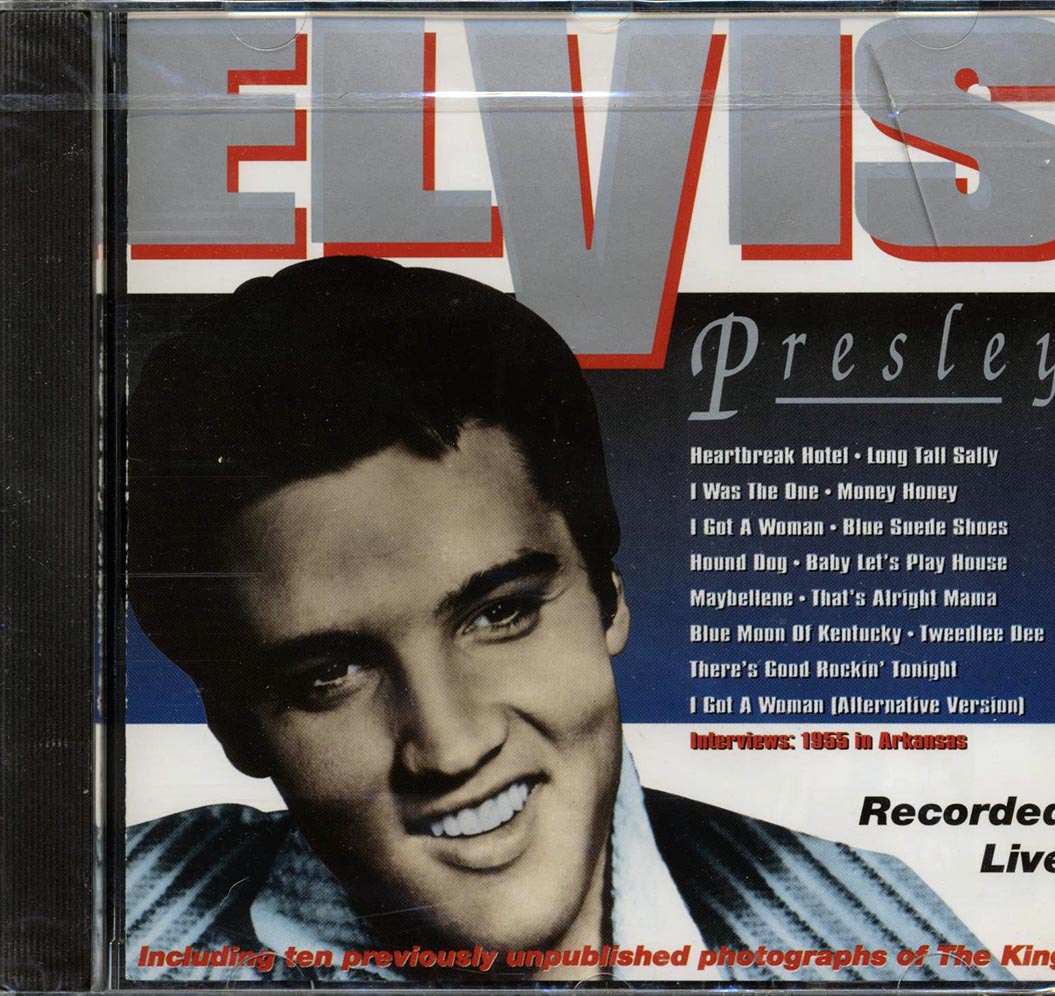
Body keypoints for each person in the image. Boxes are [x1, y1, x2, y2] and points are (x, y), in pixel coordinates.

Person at [125, 257, 1008, 985]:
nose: (450, 746)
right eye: (329, 675)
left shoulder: (885, 943)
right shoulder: (104, 924)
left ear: (608, 598)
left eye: (500, 613)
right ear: (232, 726)